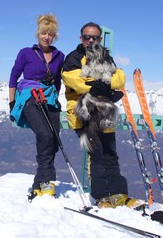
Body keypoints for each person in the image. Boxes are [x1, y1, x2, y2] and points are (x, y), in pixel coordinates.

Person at [61, 21, 144, 209]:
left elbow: (120, 77)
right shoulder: (73, 58)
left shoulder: (106, 56)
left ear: (100, 38)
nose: (91, 41)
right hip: (84, 113)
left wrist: (101, 84)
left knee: (110, 153)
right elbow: (75, 81)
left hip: (105, 112)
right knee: (96, 154)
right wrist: (103, 83)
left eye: (95, 37)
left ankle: (119, 194)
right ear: (81, 38)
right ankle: (101, 196)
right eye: (87, 37)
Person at [9, 14, 65, 200]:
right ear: (38, 34)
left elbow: (57, 81)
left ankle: (38, 183)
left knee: (53, 140)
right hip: (29, 97)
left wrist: (55, 99)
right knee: (44, 134)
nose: (46, 37)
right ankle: (48, 181)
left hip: (50, 99)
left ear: (54, 36)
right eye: (43, 33)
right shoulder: (26, 53)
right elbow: (13, 78)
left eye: (50, 34)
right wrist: (12, 103)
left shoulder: (59, 56)